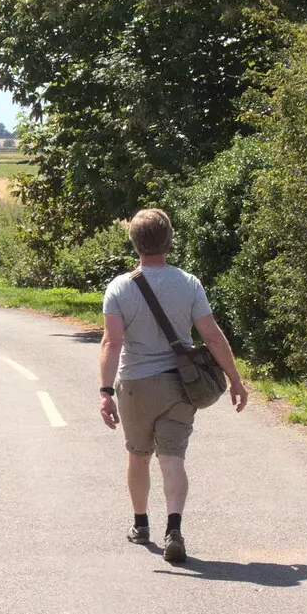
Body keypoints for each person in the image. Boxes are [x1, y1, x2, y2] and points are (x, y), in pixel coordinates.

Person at [98, 208, 247, 564]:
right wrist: (235, 380)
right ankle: (174, 529)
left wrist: (105, 392)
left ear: (135, 242)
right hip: (180, 385)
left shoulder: (120, 286)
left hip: (134, 384)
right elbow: (211, 335)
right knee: (173, 458)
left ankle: (141, 525)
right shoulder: (189, 284)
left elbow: (111, 343)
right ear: (169, 240)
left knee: (138, 455)